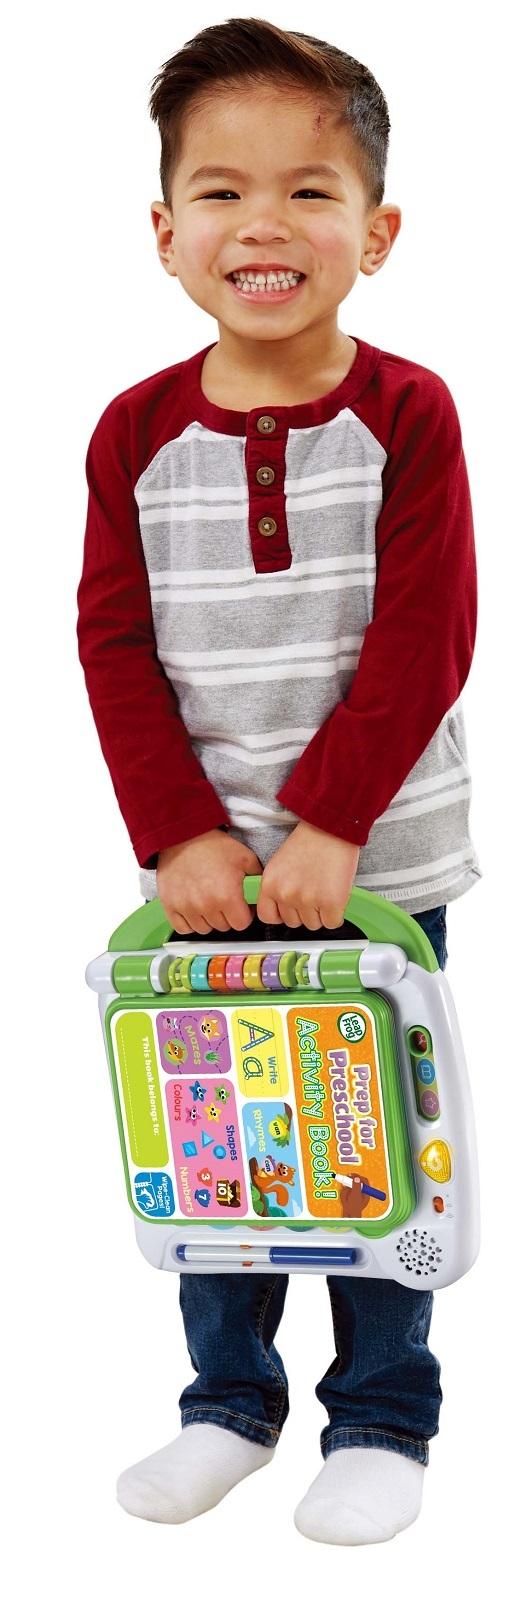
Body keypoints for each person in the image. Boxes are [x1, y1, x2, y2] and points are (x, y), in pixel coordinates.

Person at [76, 18, 481, 1545]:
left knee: (371, 1146)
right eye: (223, 191)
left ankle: (380, 1417)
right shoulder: (132, 432)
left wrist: (331, 825)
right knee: (219, 1155)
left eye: (310, 192)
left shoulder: (408, 412)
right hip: (199, 888)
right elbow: (112, 641)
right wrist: (180, 833)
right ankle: (228, 1406)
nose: (265, 224)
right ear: (165, 230)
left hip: (371, 870)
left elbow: (427, 632)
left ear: (375, 232)